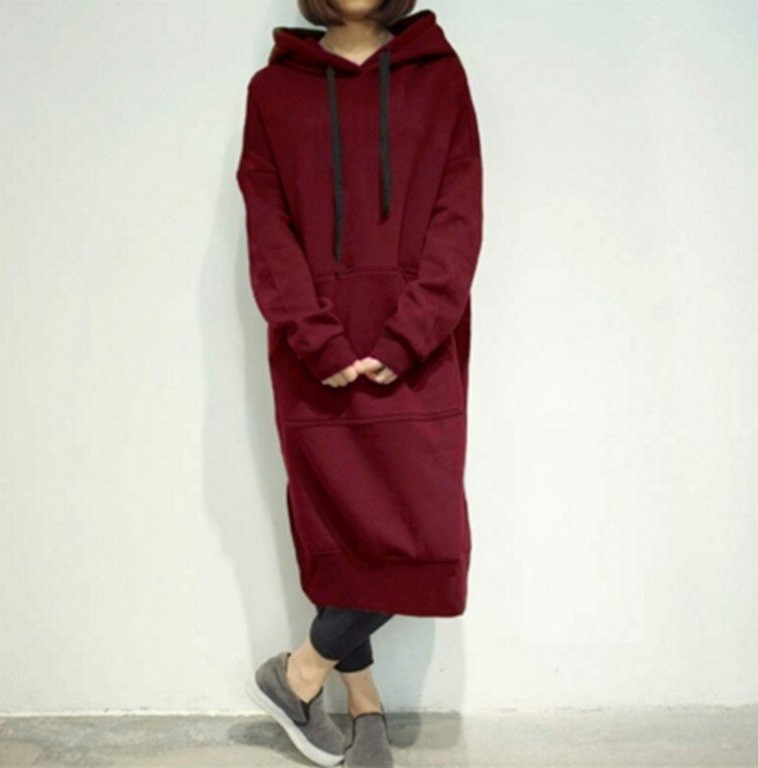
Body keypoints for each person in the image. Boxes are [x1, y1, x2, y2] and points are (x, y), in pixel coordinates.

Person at [235, 0, 483, 765]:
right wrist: (317, 338)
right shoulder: (273, 91)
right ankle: (363, 706)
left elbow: (459, 215)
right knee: (341, 537)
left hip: (420, 350)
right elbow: (267, 225)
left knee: (428, 543)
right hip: (315, 358)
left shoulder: (439, 76)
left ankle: (298, 674)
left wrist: (409, 334)